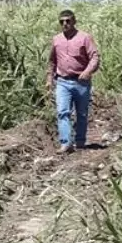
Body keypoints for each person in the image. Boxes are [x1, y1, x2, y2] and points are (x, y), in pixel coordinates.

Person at [46, 9, 101, 152]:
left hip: (81, 82)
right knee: (62, 112)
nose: (65, 24)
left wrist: (88, 72)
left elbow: (94, 57)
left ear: (74, 21)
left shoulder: (84, 38)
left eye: (68, 21)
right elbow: (52, 61)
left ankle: (80, 141)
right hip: (63, 82)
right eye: (62, 21)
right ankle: (66, 142)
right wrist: (49, 79)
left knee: (81, 113)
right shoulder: (56, 40)